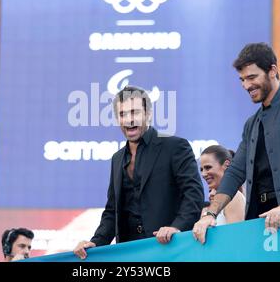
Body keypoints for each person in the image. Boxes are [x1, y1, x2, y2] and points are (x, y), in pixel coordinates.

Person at [193, 42, 280, 244]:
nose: (246, 86)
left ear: (272, 71)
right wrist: (210, 215)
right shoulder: (252, 123)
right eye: (242, 80)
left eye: (252, 77)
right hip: (261, 222)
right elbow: (236, 171)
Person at [74, 85, 204, 259]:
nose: (129, 120)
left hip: (169, 249)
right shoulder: (117, 158)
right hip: (129, 254)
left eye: (134, 112)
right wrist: (96, 242)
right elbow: (112, 212)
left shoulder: (174, 146)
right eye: (122, 114)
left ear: (148, 113)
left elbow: (193, 195)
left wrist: (176, 227)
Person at [200, 145, 245, 225]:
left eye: (208, 167)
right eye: (201, 169)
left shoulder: (233, 197)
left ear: (226, 165)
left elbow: (236, 235)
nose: (203, 174)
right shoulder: (209, 207)